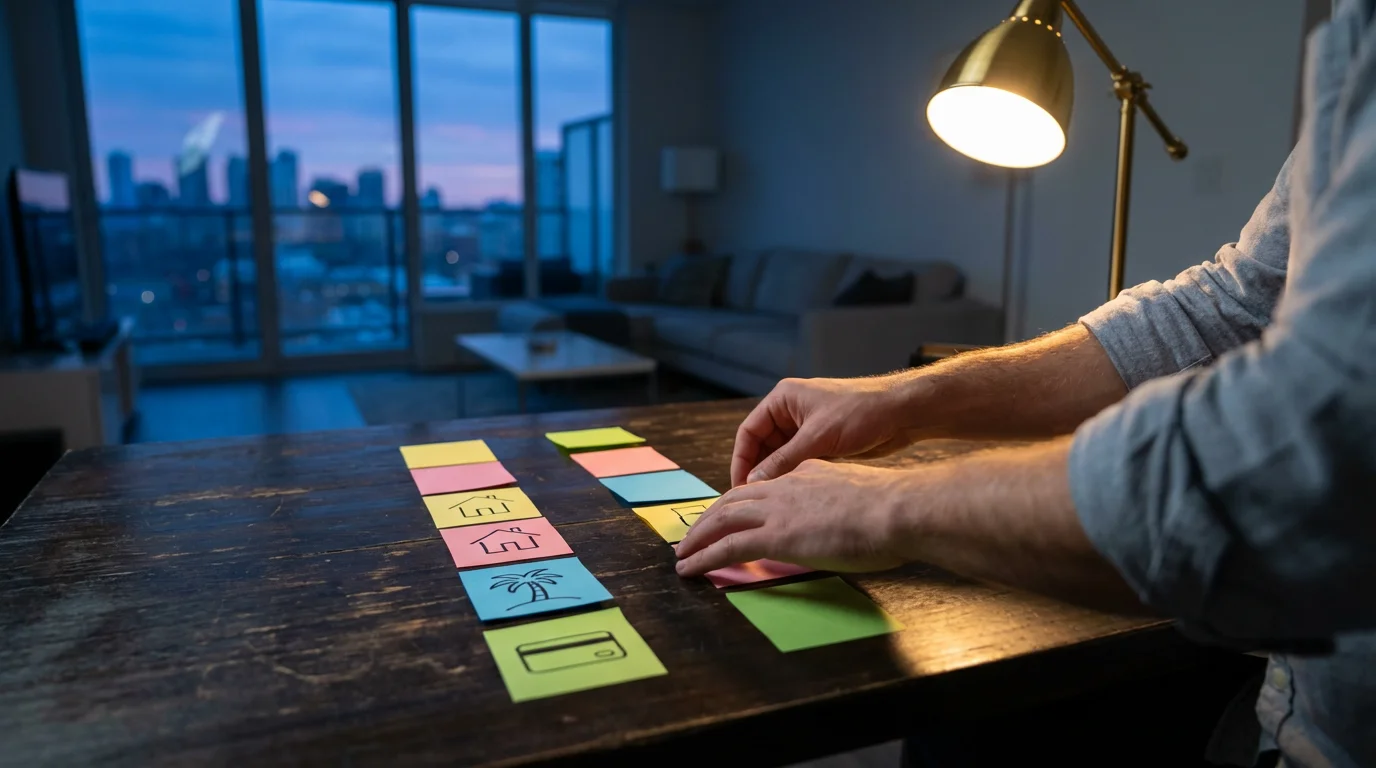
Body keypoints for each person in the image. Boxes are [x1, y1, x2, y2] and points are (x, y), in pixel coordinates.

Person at [674, 1, 1376, 765]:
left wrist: (883, 505)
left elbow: (1311, 455)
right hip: (1288, 703)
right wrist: (906, 398)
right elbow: (1231, 303)